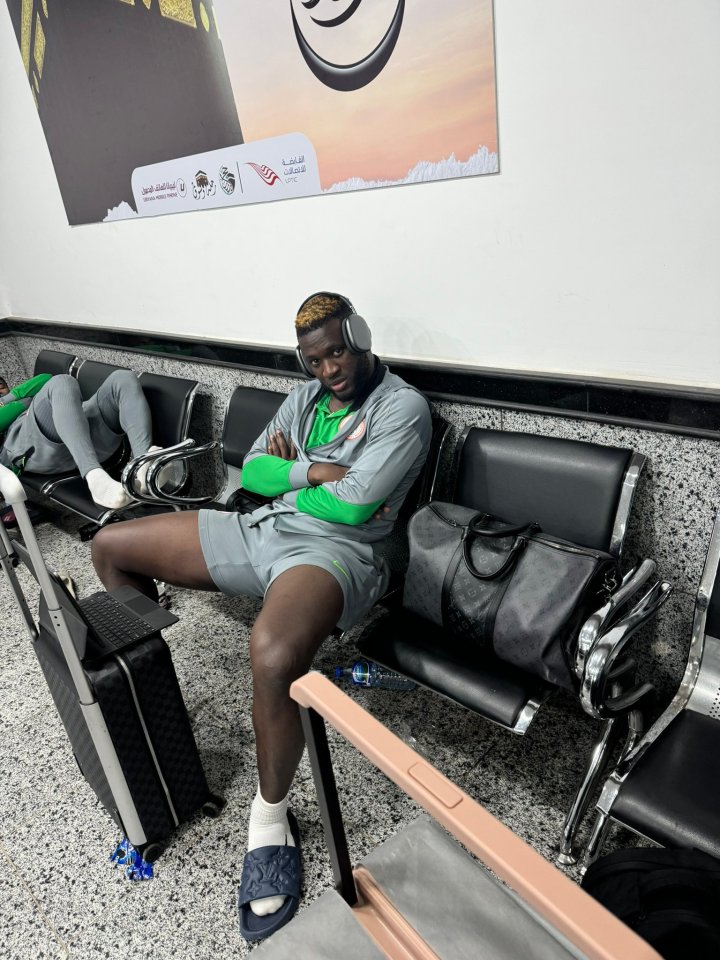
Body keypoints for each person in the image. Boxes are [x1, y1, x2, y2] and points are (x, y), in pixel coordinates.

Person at [90, 292, 433, 941]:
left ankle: (271, 819)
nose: (330, 369)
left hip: (340, 553)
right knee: (110, 546)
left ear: (358, 335)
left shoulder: (402, 408)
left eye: (337, 350)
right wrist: (313, 471)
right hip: (262, 526)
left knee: (273, 657)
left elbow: (358, 509)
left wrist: (298, 479)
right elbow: (254, 468)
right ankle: (158, 699)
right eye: (315, 359)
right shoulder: (307, 398)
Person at [0, 369, 164, 509]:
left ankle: (144, 467)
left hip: (81, 435)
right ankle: (96, 480)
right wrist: (19, 401)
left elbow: (44, 379)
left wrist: (4, 401)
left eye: (2, 387)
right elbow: (6, 417)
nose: (1, 391)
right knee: (62, 382)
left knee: (123, 377)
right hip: (32, 449)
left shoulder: (8, 401)